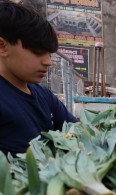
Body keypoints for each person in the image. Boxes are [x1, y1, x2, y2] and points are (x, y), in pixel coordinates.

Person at [0, 1, 77, 155]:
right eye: (37, 51)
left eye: (49, 53)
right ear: (2, 46)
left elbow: (78, 132)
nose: (47, 62)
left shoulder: (45, 95)